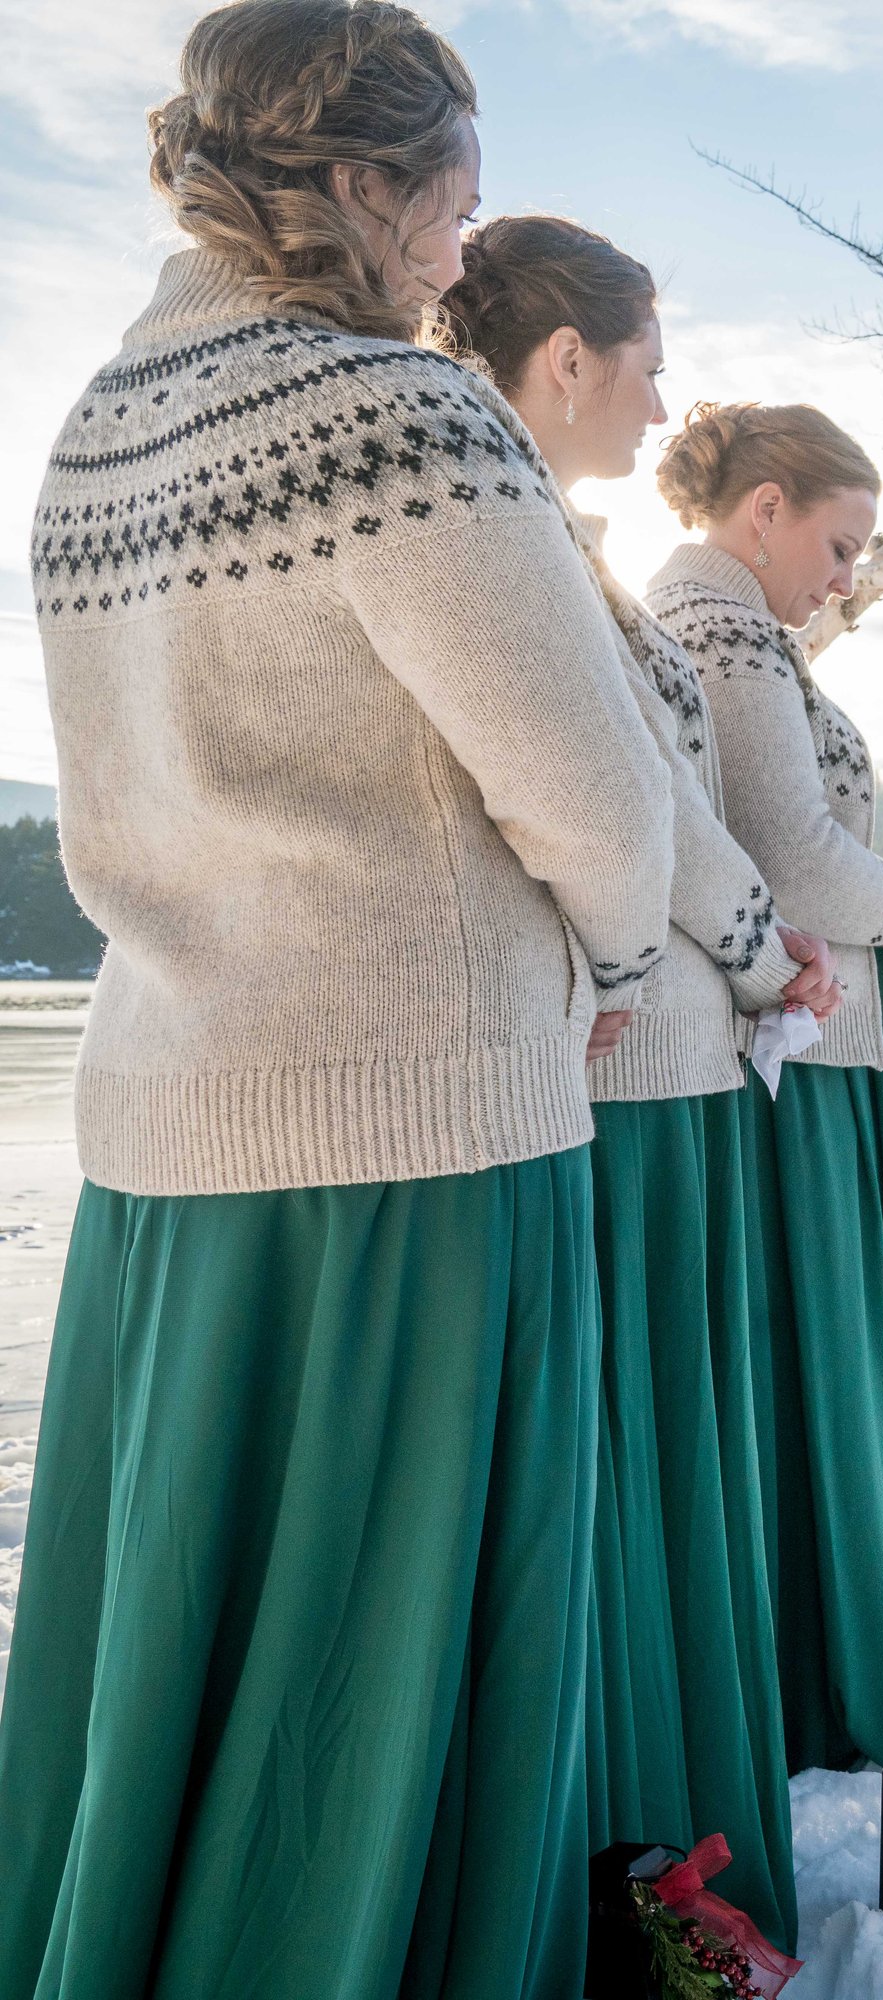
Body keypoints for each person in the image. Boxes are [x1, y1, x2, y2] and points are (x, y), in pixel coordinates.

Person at [0, 6, 679, 1994]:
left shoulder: (92, 432)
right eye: (453, 201)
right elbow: (599, 804)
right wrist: (619, 960)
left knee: (187, 1666)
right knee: (390, 1671)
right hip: (419, 1127)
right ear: (367, 188)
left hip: (169, 1132)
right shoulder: (395, 415)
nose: (465, 255)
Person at [441, 215, 840, 1947]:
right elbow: (635, 809)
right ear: (567, 362)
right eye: (648, 355)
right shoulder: (517, 531)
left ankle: (677, 1833)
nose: (667, 392)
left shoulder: (568, 540)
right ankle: (633, 1854)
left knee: (671, 1459)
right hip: (636, 1055)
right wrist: (763, 948)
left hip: (674, 1045)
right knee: (627, 1466)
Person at [645, 404, 883, 1774]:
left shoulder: (738, 621)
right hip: (792, 1063)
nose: (846, 576)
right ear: (765, 509)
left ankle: (843, 1653)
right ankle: (828, 1666)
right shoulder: (721, 623)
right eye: (839, 544)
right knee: (814, 1373)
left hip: (826, 1044)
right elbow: (788, 854)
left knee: (828, 1370)